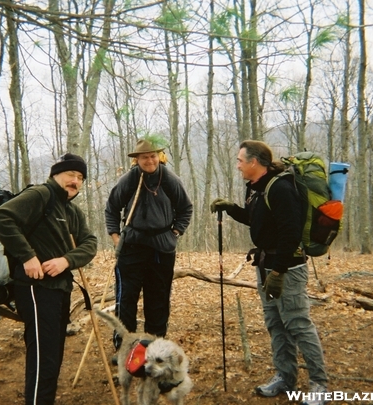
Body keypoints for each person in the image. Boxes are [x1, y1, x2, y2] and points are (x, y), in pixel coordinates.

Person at [210, 140, 328, 405]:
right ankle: (286, 377)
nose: (237, 165)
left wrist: (279, 271)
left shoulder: (281, 188)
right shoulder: (255, 188)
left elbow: (291, 232)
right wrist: (230, 208)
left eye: (240, 160)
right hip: (265, 266)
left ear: (254, 162)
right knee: (276, 324)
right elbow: (257, 220)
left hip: (287, 267)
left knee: (297, 324)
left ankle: (319, 384)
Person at [0, 153, 97, 405]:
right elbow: (1, 219)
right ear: (55, 175)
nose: (75, 181)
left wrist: (66, 261)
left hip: (60, 288)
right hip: (36, 288)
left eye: (80, 177)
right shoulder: (41, 195)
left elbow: (90, 243)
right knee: (43, 356)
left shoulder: (71, 210)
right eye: (71, 174)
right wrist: (28, 257)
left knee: (53, 356)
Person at [105, 138, 193, 352]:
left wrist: (175, 232)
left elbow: (185, 209)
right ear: (137, 159)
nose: (150, 160)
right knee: (126, 299)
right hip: (132, 246)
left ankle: (155, 347)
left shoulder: (169, 179)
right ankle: (125, 347)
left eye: (153, 156)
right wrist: (116, 237)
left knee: (158, 299)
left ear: (159, 157)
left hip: (162, 249)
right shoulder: (130, 179)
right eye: (145, 157)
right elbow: (112, 209)